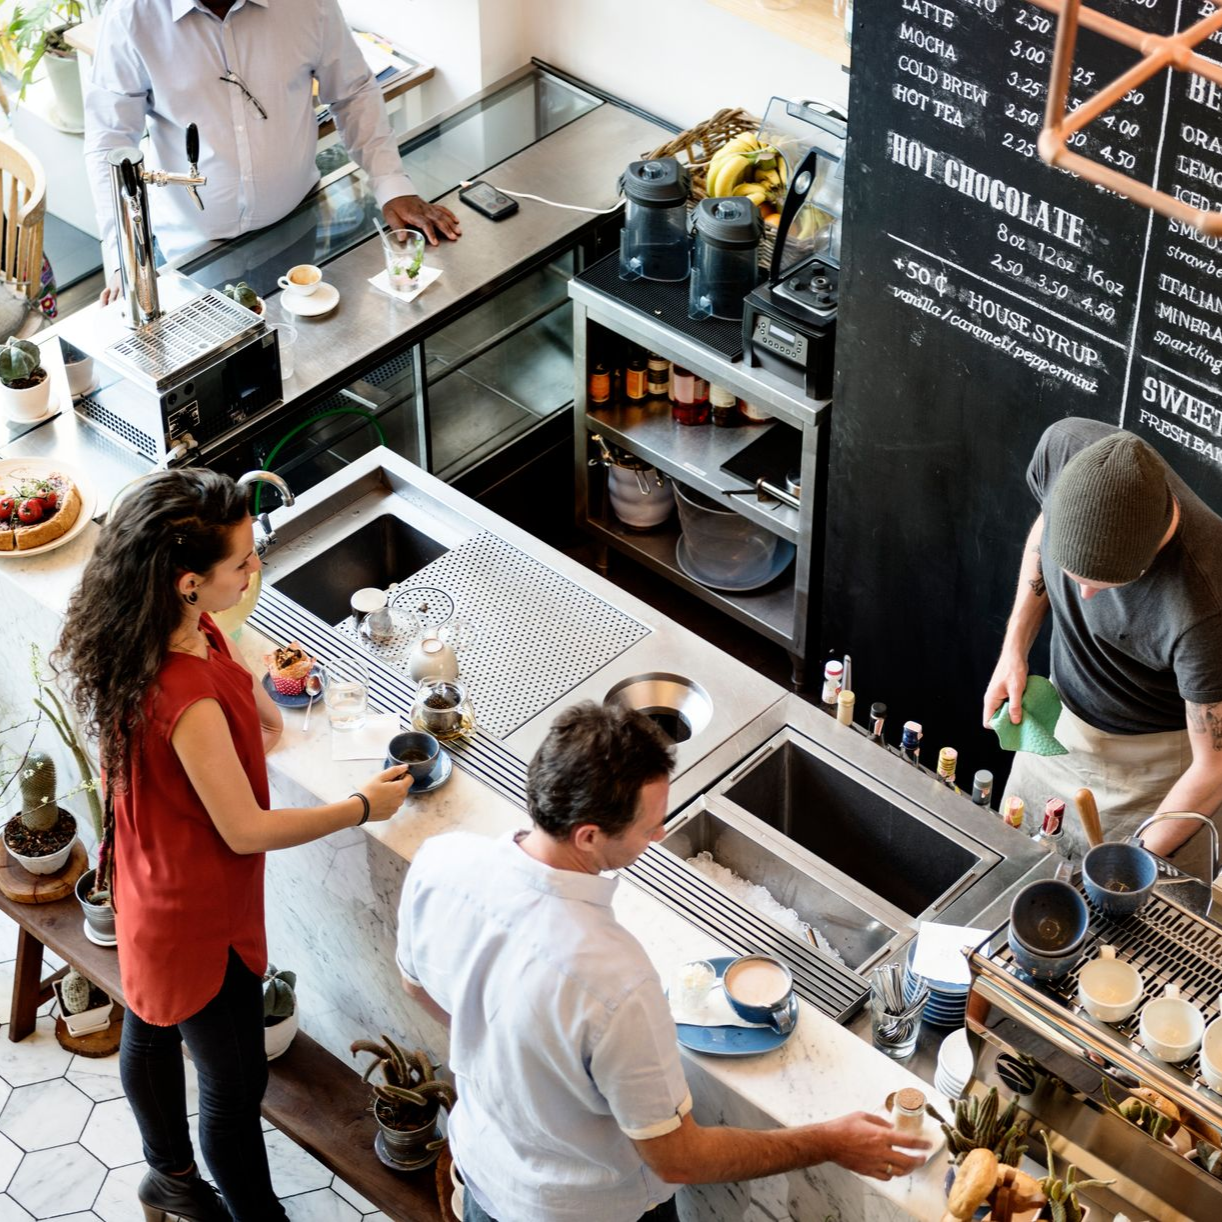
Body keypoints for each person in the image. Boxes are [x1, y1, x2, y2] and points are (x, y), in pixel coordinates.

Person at [396, 702, 928, 1222]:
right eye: (650, 827)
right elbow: (678, 1158)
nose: (661, 835)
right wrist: (828, 1141)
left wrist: (511, 1056)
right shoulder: (615, 981)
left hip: (482, 1174)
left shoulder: (443, 861)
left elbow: (415, 985)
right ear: (588, 836)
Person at [53, 469, 411, 1222]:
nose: (256, 570)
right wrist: (360, 807)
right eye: (243, 562)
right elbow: (245, 827)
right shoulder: (182, 696)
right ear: (187, 581)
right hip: (198, 916)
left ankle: (167, 1179)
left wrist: (251, 676)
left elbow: (262, 724)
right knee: (233, 1088)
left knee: (152, 1024)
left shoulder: (161, 630)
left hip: (150, 879)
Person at [85, 0, 461, 302]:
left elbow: (353, 91)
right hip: (191, 253)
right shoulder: (130, 16)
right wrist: (124, 259)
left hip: (294, 226)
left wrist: (392, 183)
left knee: (301, 355)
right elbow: (110, 142)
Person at [983, 417, 1222, 862]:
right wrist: (1015, 647)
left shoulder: (1206, 604)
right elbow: (1043, 529)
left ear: (1152, 554)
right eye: (1072, 576)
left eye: (1106, 584)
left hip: (1154, 777)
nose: (1085, 595)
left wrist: (1132, 862)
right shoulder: (1066, 447)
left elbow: (1214, 769)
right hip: (1056, 732)